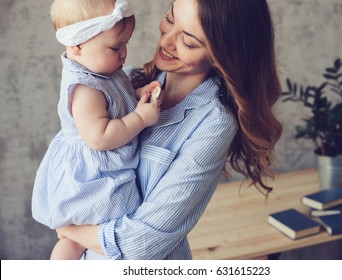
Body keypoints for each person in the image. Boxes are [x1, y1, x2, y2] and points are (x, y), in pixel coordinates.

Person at [56, 0, 283, 260]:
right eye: (170, 19)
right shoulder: (122, 81)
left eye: (188, 42)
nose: (165, 42)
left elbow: (140, 245)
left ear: (223, 56)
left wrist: (67, 226)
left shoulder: (213, 124)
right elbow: (69, 171)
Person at [31, 0, 162, 260]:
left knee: (92, 239)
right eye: (116, 46)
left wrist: (135, 95)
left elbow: (114, 103)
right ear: (78, 46)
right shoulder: (85, 88)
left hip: (105, 164)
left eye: (126, 44)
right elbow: (99, 137)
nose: (124, 53)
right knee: (80, 238)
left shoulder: (104, 70)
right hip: (93, 175)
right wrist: (140, 118)